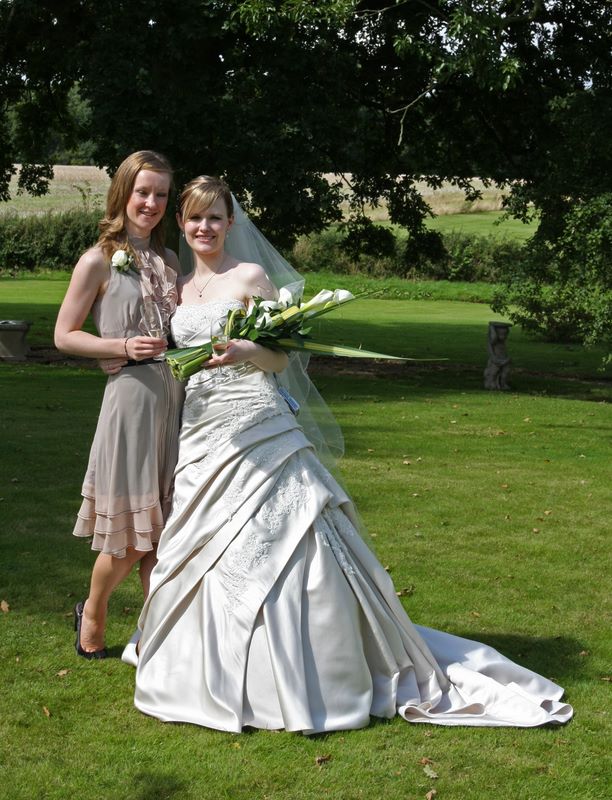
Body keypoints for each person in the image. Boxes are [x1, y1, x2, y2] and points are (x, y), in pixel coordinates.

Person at [134, 175, 572, 732]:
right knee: (201, 537)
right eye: (195, 218)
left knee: (284, 533)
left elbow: (280, 359)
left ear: (230, 222)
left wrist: (246, 349)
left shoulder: (250, 276)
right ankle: (201, 667)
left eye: (215, 217)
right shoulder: (178, 286)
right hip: (201, 425)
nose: (205, 227)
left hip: (257, 421)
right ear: (181, 223)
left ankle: (308, 666)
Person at [54, 150, 184, 659]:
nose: (151, 202)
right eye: (142, 192)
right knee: (130, 537)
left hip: (175, 403)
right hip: (130, 404)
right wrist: (121, 346)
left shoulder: (170, 261)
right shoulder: (98, 260)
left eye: (161, 194)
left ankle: (156, 638)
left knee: (166, 530)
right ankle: (93, 610)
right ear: (123, 193)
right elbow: (64, 335)